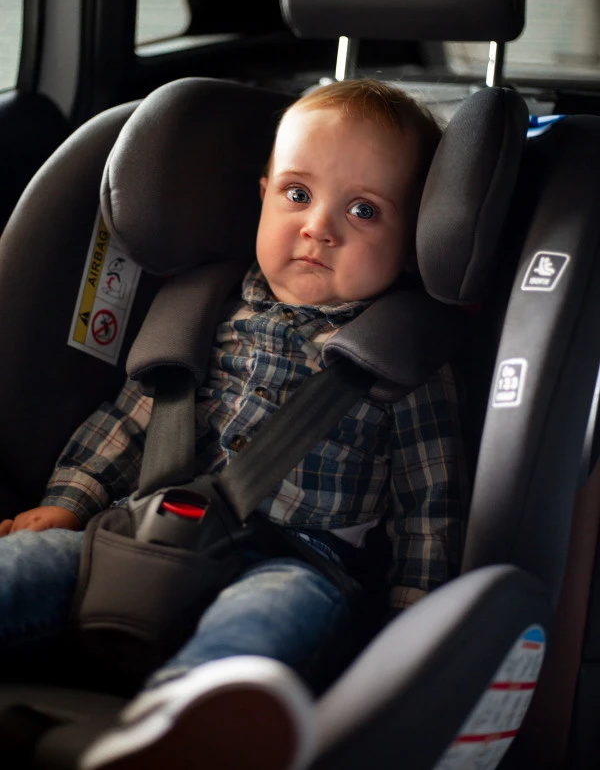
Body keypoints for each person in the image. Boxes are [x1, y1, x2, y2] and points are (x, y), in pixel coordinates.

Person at [0, 79, 466, 770]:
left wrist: (411, 623)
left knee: (271, 621)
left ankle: (184, 722)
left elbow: (429, 505)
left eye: (363, 210)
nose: (319, 227)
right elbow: (129, 419)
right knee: (27, 565)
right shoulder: (200, 307)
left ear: (410, 243)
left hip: (293, 559)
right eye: (298, 194)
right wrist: (69, 503)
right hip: (138, 537)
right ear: (263, 195)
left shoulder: (405, 359)